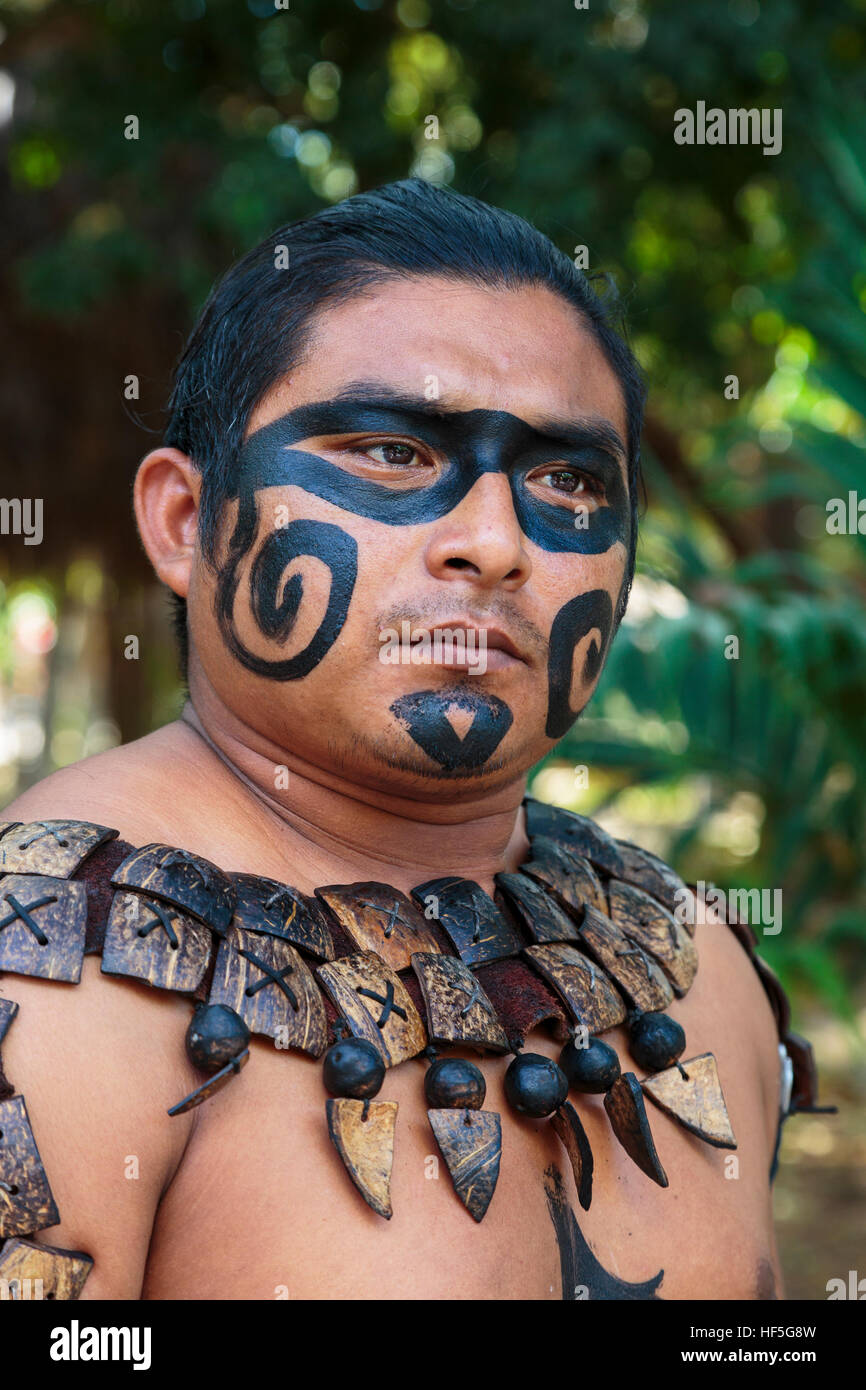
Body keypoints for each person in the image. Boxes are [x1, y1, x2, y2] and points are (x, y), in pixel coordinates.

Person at [0, 179, 814, 1301]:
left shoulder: (688, 957)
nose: (492, 543)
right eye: (390, 451)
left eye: (566, 479)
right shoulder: (57, 975)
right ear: (186, 523)